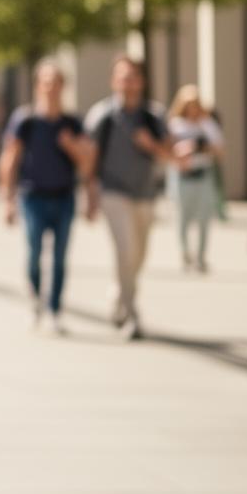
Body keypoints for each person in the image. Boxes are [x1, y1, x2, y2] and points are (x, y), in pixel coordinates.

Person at [0, 61, 95, 334]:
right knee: (34, 255)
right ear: (38, 85)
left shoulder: (73, 123)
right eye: (45, 82)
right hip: (32, 198)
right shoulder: (25, 120)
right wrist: (7, 200)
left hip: (64, 197)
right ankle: (35, 303)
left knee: (60, 258)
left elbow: (88, 164)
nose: (51, 88)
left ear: (63, 86)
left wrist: (71, 145)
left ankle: (55, 310)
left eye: (56, 82)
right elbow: (10, 159)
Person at [84, 54, 174, 339]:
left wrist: (151, 144)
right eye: (123, 76)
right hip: (113, 193)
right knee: (125, 250)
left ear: (142, 82)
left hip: (146, 194)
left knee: (139, 256)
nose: (128, 82)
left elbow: (169, 154)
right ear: (114, 81)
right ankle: (131, 315)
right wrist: (90, 194)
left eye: (133, 77)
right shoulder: (102, 116)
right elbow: (90, 158)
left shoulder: (154, 116)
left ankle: (118, 293)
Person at [167, 85, 225, 274]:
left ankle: (201, 257)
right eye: (188, 104)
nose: (192, 108)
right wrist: (183, 149)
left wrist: (201, 146)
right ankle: (185, 253)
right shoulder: (175, 124)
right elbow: (167, 149)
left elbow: (219, 150)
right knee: (182, 217)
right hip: (183, 175)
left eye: (195, 104)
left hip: (203, 173)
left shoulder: (207, 124)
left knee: (204, 218)